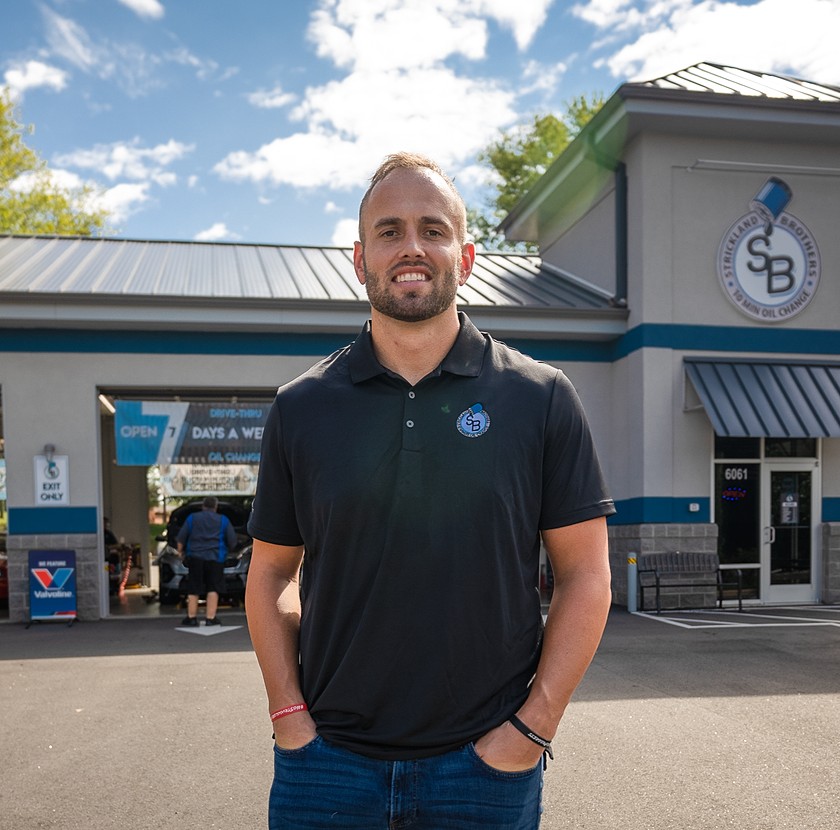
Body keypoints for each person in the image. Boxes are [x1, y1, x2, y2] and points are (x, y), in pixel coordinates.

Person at [246, 152, 615, 829]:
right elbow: (271, 572)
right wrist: (287, 714)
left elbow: (586, 575)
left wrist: (533, 729)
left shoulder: (541, 399)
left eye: (432, 229)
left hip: (483, 771)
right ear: (360, 259)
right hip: (325, 767)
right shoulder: (302, 407)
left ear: (466, 255)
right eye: (389, 231)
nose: (411, 247)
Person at [177, 496, 237, 626]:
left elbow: (181, 539)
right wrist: (227, 551)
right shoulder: (223, 520)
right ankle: (210, 618)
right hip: (216, 558)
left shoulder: (192, 518)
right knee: (213, 587)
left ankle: (191, 618)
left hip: (195, 558)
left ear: (203, 506)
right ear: (216, 507)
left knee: (193, 588)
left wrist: (181, 553)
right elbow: (232, 541)